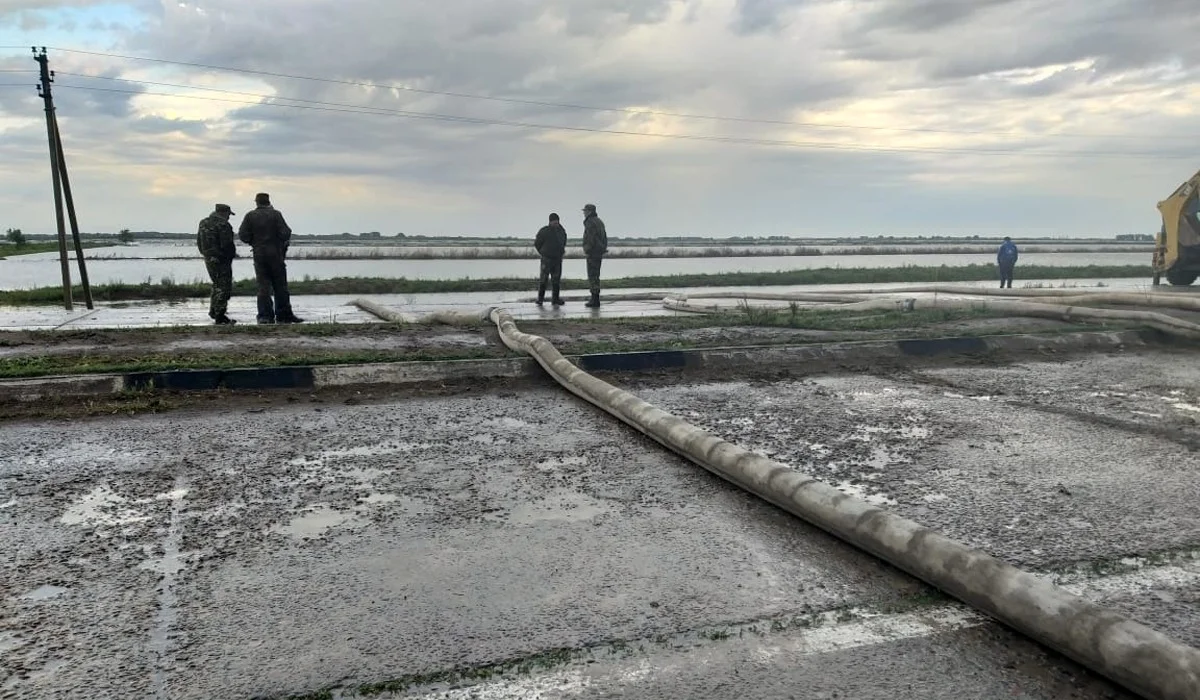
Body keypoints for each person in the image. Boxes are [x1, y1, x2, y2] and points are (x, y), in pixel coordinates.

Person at [238, 192, 303, 324]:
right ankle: (284, 315)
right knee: (280, 286)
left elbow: (243, 235)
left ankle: (264, 316)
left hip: (259, 255)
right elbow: (286, 233)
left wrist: (254, 242)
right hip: (276, 255)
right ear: (268, 202)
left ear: (256, 202)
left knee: (263, 287)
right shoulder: (276, 214)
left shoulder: (250, 216)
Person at [196, 203, 238, 325]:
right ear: (224, 213)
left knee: (216, 284)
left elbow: (199, 241)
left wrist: (206, 254)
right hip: (221, 259)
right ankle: (220, 314)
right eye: (228, 214)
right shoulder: (223, 225)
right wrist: (231, 255)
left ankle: (214, 311)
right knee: (223, 286)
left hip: (209, 257)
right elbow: (227, 244)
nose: (229, 217)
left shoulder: (203, 222)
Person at [534, 212, 567, 306]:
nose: (556, 224)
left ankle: (555, 299)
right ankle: (540, 299)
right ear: (550, 222)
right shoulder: (544, 231)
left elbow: (564, 241)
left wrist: (561, 251)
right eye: (554, 222)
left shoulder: (561, 231)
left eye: (557, 222)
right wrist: (543, 252)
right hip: (546, 259)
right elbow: (537, 243)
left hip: (557, 259)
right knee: (543, 279)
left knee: (556, 280)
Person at [581, 203, 608, 308]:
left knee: (592, 275)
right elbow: (604, 237)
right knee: (596, 275)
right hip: (599, 252)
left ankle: (594, 299)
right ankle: (595, 298)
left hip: (593, 252)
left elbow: (591, 238)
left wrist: (587, 249)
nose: (584, 213)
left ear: (590, 211)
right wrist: (603, 248)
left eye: (585, 211)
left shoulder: (590, 222)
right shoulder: (599, 221)